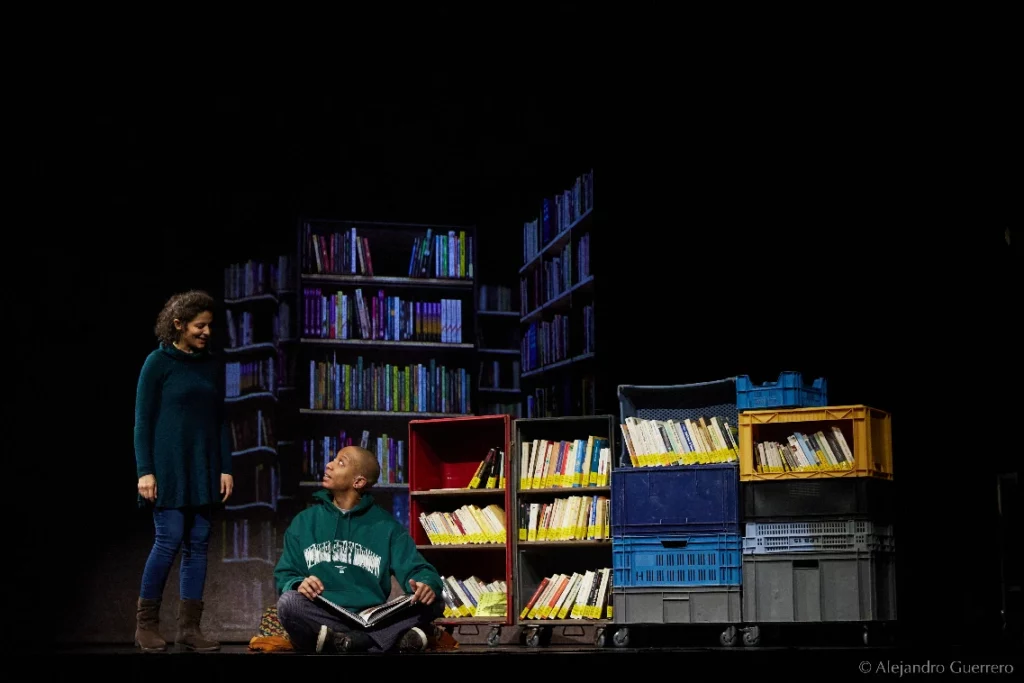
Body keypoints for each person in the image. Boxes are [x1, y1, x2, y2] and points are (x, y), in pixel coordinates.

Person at [133, 290, 233, 652]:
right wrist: (145, 471)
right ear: (178, 324)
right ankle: (146, 625)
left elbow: (220, 421)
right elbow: (142, 421)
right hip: (169, 469)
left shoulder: (211, 364)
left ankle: (189, 629)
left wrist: (225, 467)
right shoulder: (157, 362)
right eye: (199, 326)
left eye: (209, 326)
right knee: (169, 539)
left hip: (203, 467)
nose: (206, 332)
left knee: (198, 545)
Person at [274, 446, 445, 654]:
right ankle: (378, 641)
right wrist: (299, 583)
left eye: (340, 462)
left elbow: (418, 570)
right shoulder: (304, 522)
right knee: (289, 603)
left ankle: (349, 642)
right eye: (333, 460)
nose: (329, 465)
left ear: (359, 482)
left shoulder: (387, 526)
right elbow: (285, 575)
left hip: (372, 617)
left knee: (434, 601)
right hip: (324, 614)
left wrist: (425, 584)